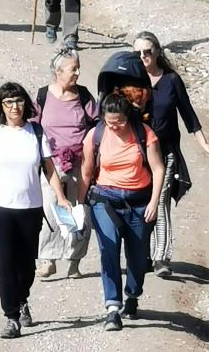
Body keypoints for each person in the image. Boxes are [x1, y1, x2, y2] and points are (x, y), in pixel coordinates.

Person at [0, 82, 74, 339]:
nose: (15, 107)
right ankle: (11, 316)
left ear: (26, 104)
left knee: (27, 264)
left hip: (30, 207)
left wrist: (60, 196)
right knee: (4, 262)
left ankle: (22, 298)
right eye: (9, 102)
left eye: (19, 101)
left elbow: (49, 168)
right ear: (1, 106)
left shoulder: (35, 132)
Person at [133, 31, 209, 277]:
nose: (143, 57)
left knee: (160, 202)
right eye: (138, 53)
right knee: (142, 202)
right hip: (137, 154)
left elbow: (188, 114)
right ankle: (145, 254)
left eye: (147, 52)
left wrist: (204, 144)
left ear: (158, 52)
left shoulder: (171, 81)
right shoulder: (130, 80)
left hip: (166, 152)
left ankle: (161, 257)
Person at [78, 92, 165, 331]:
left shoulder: (144, 133)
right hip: (105, 199)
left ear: (129, 116)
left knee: (137, 260)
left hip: (139, 201)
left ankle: (132, 295)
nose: (115, 126)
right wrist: (80, 204)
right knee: (109, 251)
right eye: (110, 122)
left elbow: (158, 169)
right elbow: (86, 172)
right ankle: (112, 309)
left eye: (120, 122)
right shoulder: (94, 135)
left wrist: (154, 202)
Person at [32, 48, 99, 279]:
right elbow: (32, 125)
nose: (78, 73)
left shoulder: (83, 96)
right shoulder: (42, 95)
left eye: (78, 68)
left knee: (80, 211)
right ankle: (48, 260)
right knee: (50, 211)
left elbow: (98, 124)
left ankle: (74, 261)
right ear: (58, 72)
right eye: (73, 69)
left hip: (80, 163)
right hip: (51, 162)